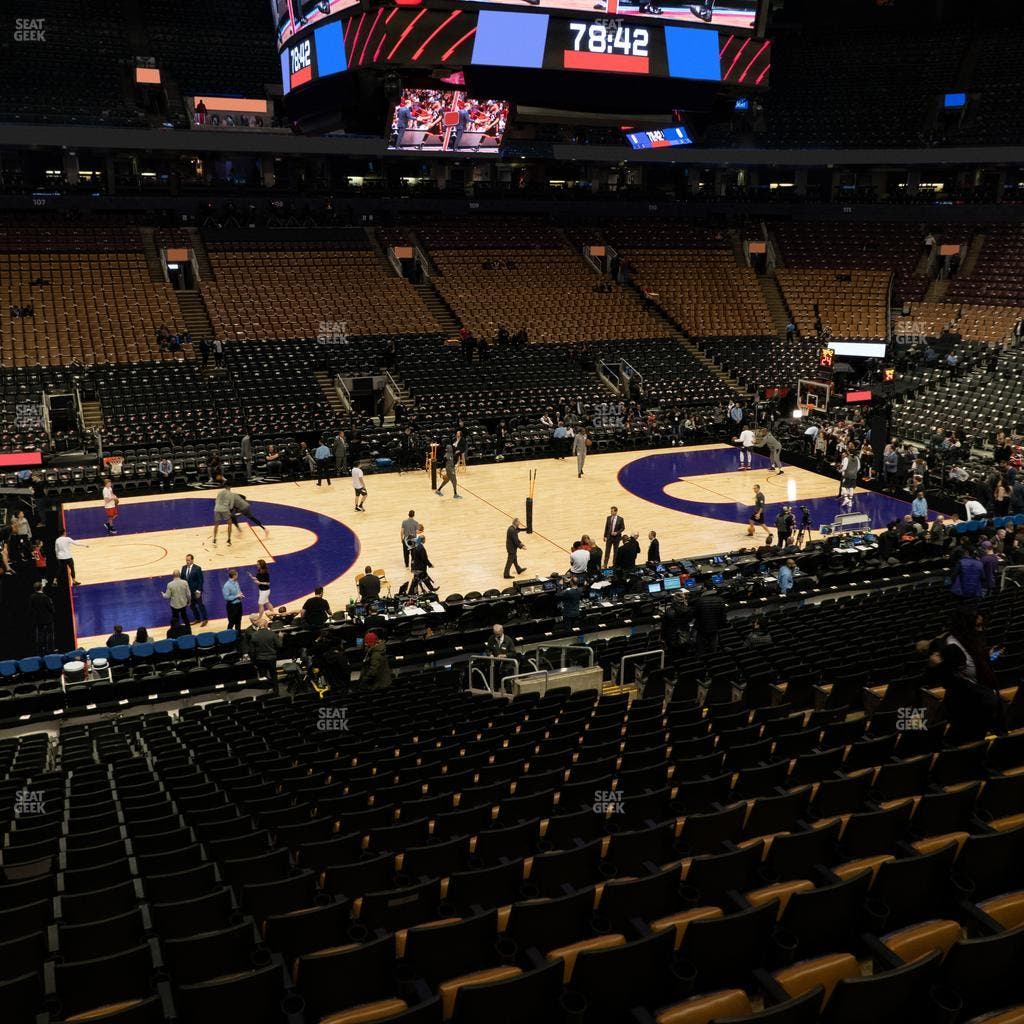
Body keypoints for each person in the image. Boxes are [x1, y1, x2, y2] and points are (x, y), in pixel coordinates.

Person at [244, 614, 283, 693]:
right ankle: (276, 692)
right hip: (271, 659)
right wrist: (281, 637)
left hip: (260, 659)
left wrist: (253, 661)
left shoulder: (254, 635)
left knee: (263, 677)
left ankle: (265, 692)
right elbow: (279, 645)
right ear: (266, 625)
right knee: (274, 675)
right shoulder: (271, 633)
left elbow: (252, 651)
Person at [692, 583, 727, 657]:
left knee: (700, 650)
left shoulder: (699, 600)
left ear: (705, 589)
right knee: (713, 650)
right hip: (715, 628)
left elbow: (694, 614)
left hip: (702, 629)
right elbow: (723, 616)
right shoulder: (720, 600)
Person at [180, 553, 207, 626]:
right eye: (186, 560)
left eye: (188, 560)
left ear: (192, 560)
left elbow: (201, 580)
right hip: (188, 592)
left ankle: (205, 619)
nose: (187, 561)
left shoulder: (197, 568)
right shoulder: (183, 568)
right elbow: (182, 579)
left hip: (196, 591)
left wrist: (199, 590)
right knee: (192, 606)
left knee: (200, 605)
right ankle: (197, 618)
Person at [29, 581, 54, 655]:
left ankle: (40, 651)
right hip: (48, 619)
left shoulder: (32, 597)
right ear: (41, 587)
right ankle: (50, 650)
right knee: (49, 634)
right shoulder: (45, 597)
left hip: (38, 619)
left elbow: (31, 609)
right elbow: (51, 609)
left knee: (40, 635)